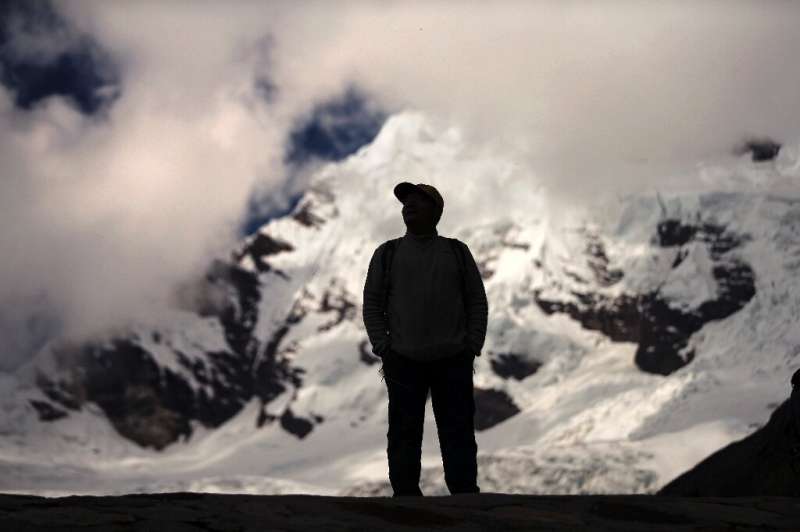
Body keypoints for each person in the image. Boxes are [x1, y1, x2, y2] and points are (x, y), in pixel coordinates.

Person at [362, 181, 488, 497]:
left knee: (457, 430)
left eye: (419, 200)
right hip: (403, 359)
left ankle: (464, 495)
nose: (409, 205)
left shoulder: (457, 251)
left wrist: (472, 344)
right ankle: (405, 497)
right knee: (404, 432)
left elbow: (476, 299)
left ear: (436, 211)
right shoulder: (386, 254)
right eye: (406, 201)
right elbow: (372, 303)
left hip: (453, 358)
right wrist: (384, 347)